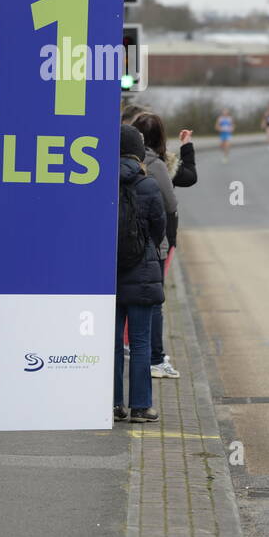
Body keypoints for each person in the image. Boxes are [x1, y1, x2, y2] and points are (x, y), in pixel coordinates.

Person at [131, 113, 192, 380]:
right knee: (153, 300)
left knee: (126, 299)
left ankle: (131, 351)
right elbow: (171, 204)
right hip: (150, 245)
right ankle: (155, 359)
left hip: (122, 241)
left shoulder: (115, 161)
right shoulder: (154, 164)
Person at [116, 125, 166, 423]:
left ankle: (111, 405)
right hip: (142, 270)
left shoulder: (98, 179)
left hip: (107, 272)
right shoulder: (148, 184)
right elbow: (159, 227)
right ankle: (140, 407)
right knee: (140, 342)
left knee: (110, 344)